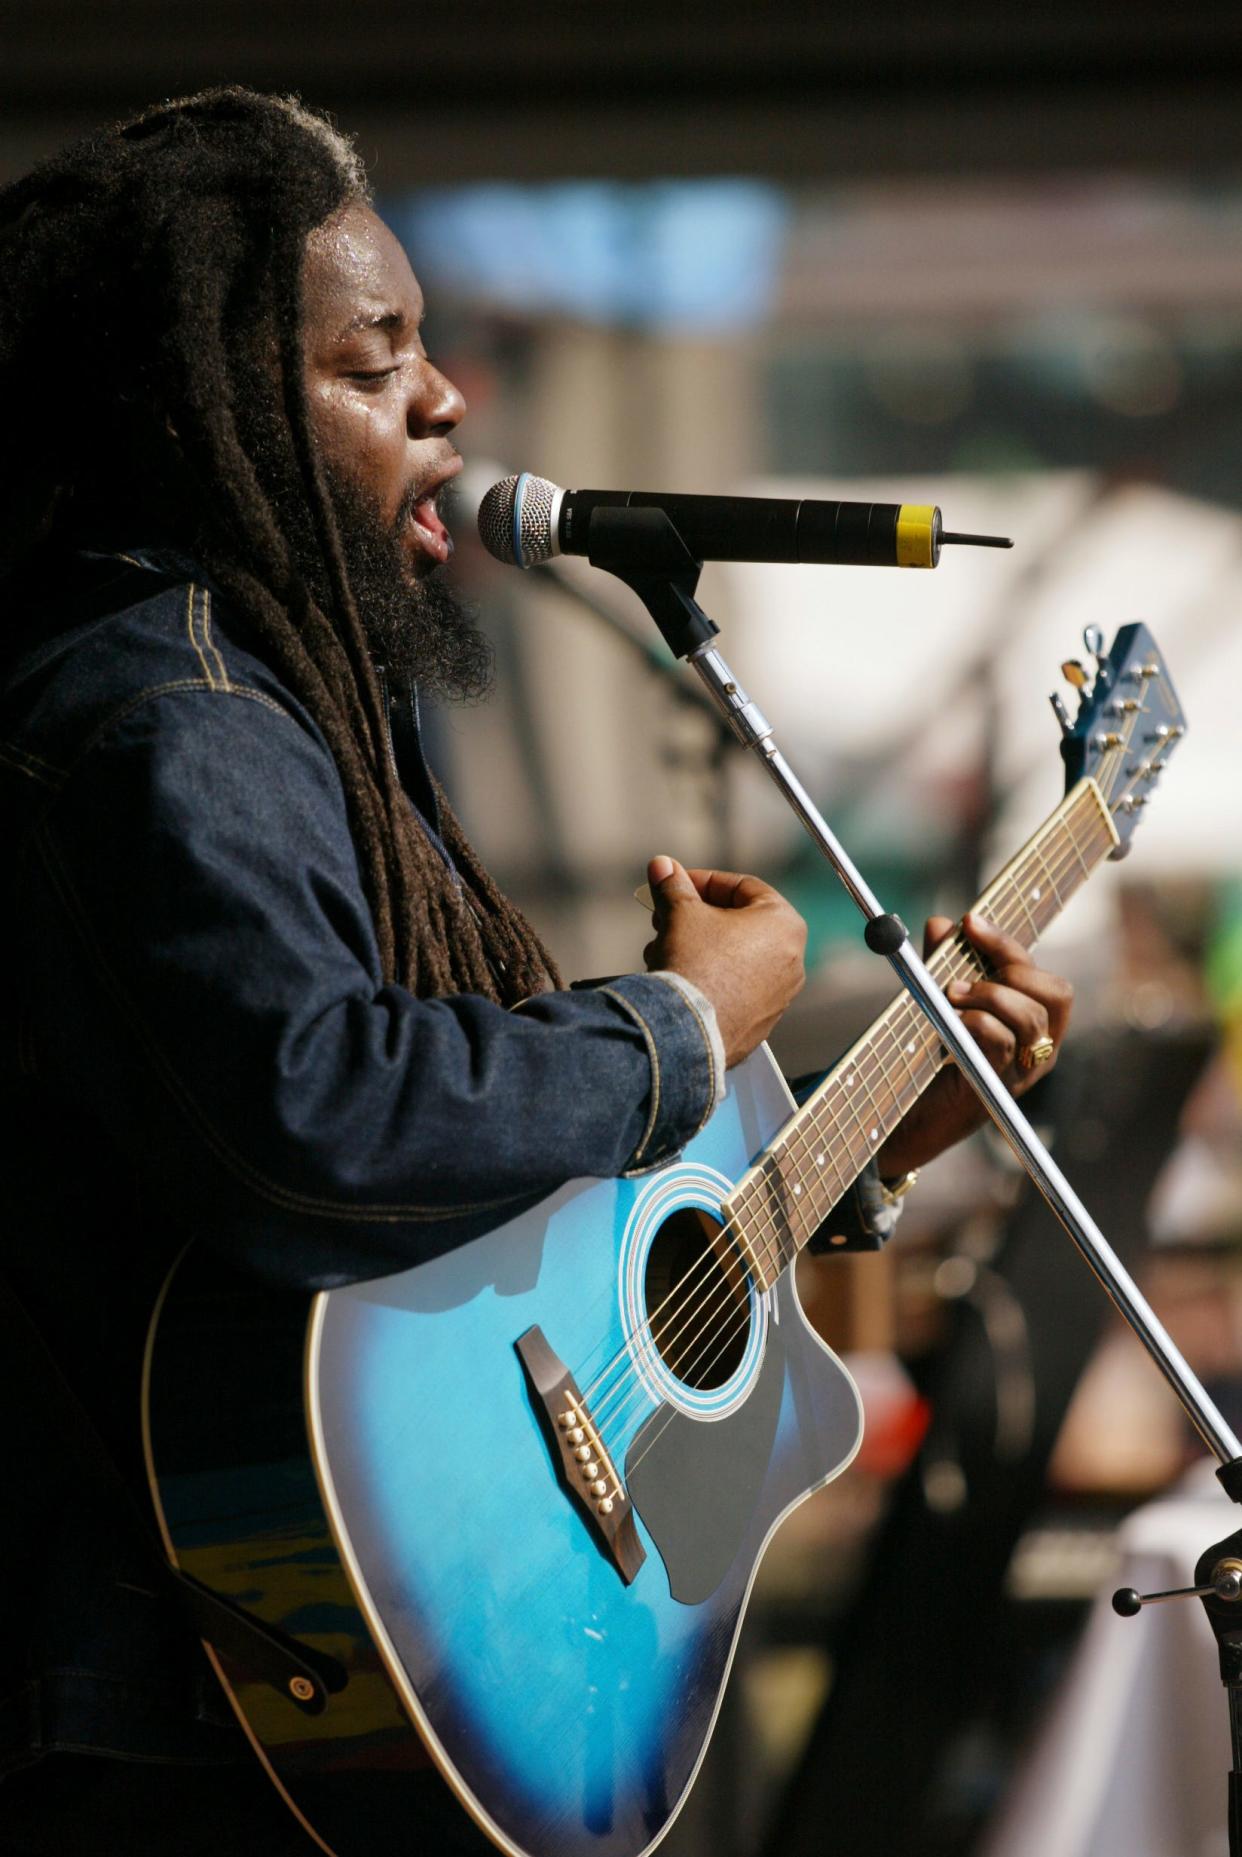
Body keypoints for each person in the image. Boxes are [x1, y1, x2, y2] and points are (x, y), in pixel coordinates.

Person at [0, 88, 1072, 1855]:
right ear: (209, 408)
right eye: (375, 358)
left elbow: (496, 1241)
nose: (446, 399)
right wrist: (678, 1024)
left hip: (257, 1683)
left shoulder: (288, 701)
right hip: (178, 1688)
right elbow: (321, 1116)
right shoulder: (161, 712)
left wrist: (872, 1139)